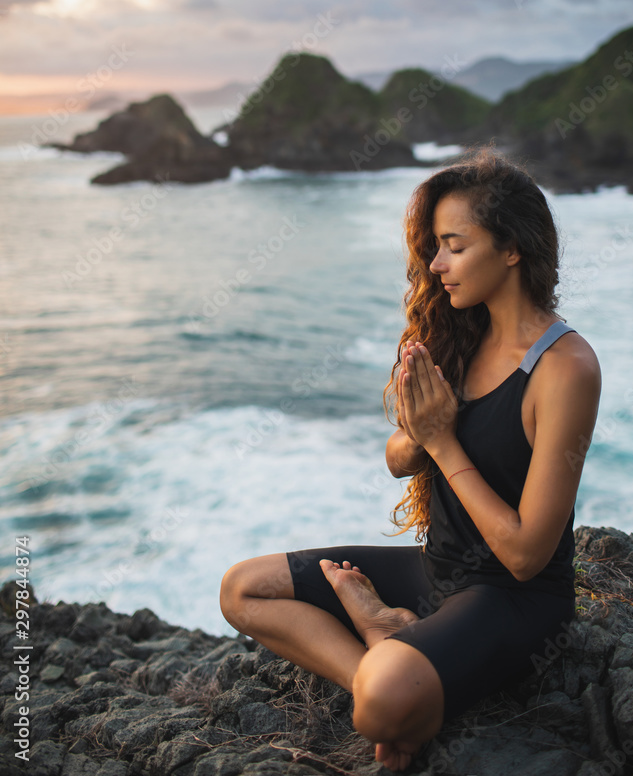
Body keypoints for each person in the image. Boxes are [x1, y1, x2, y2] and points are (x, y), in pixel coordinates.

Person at [219, 147, 601, 771]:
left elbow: (528, 555)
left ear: (512, 249)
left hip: (512, 598)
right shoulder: (460, 333)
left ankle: (386, 661)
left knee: (379, 711)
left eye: (454, 244)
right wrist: (423, 432)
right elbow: (400, 457)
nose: (435, 263)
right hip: (438, 571)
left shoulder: (565, 368)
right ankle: (383, 650)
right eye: (435, 246)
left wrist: (445, 441)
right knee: (243, 589)